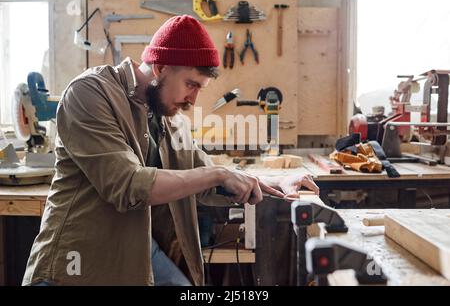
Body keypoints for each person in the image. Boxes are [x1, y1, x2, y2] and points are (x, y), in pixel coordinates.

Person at [22, 15, 319, 286]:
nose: (193, 99)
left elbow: (211, 176)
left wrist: (277, 183)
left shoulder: (166, 117)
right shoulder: (90, 93)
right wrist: (215, 174)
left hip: (135, 248)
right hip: (77, 261)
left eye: (200, 87)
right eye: (190, 84)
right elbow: (128, 185)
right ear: (160, 67)